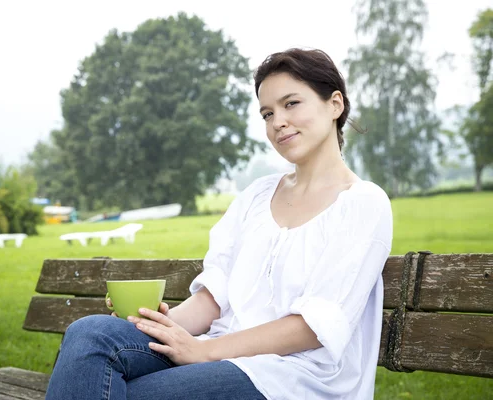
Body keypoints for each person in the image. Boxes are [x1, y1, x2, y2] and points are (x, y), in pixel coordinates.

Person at [45, 48, 393, 400]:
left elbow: (313, 327)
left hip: (293, 377)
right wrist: (161, 324)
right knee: (90, 334)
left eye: (291, 104)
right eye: (267, 113)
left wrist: (204, 352)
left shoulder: (363, 203)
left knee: (122, 392)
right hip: (214, 353)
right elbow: (214, 298)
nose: (277, 122)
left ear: (335, 104)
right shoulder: (257, 197)